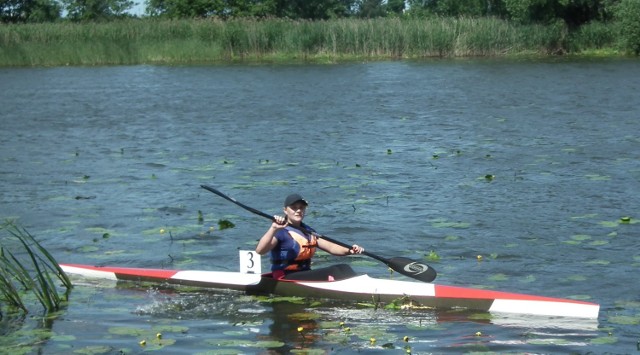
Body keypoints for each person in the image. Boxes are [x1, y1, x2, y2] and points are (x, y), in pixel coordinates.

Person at [255, 193, 364, 281]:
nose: (298, 210)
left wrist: (350, 250)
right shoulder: (280, 231)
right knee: (334, 271)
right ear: (285, 210)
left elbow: (331, 247)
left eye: (301, 208)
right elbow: (260, 250)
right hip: (284, 276)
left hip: (303, 273)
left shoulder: (308, 231)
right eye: (294, 208)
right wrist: (273, 228)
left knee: (343, 267)